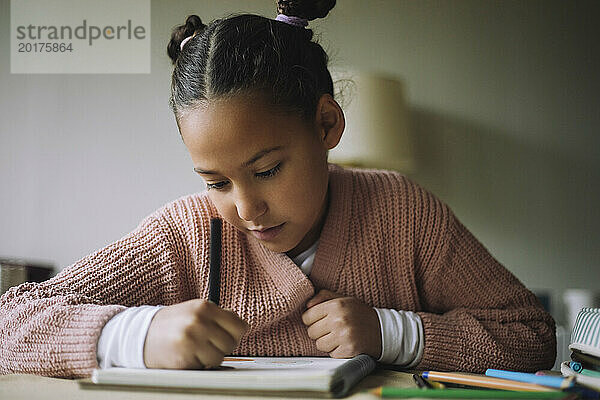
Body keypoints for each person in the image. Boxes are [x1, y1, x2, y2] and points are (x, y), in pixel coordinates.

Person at [0, 0, 556, 378]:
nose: (246, 208)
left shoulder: (403, 213)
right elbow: (10, 321)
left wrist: (395, 333)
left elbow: (531, 336)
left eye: (267, 170)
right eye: (216, 181)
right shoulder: (186, 235)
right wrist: (132, 334)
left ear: (326, 126)